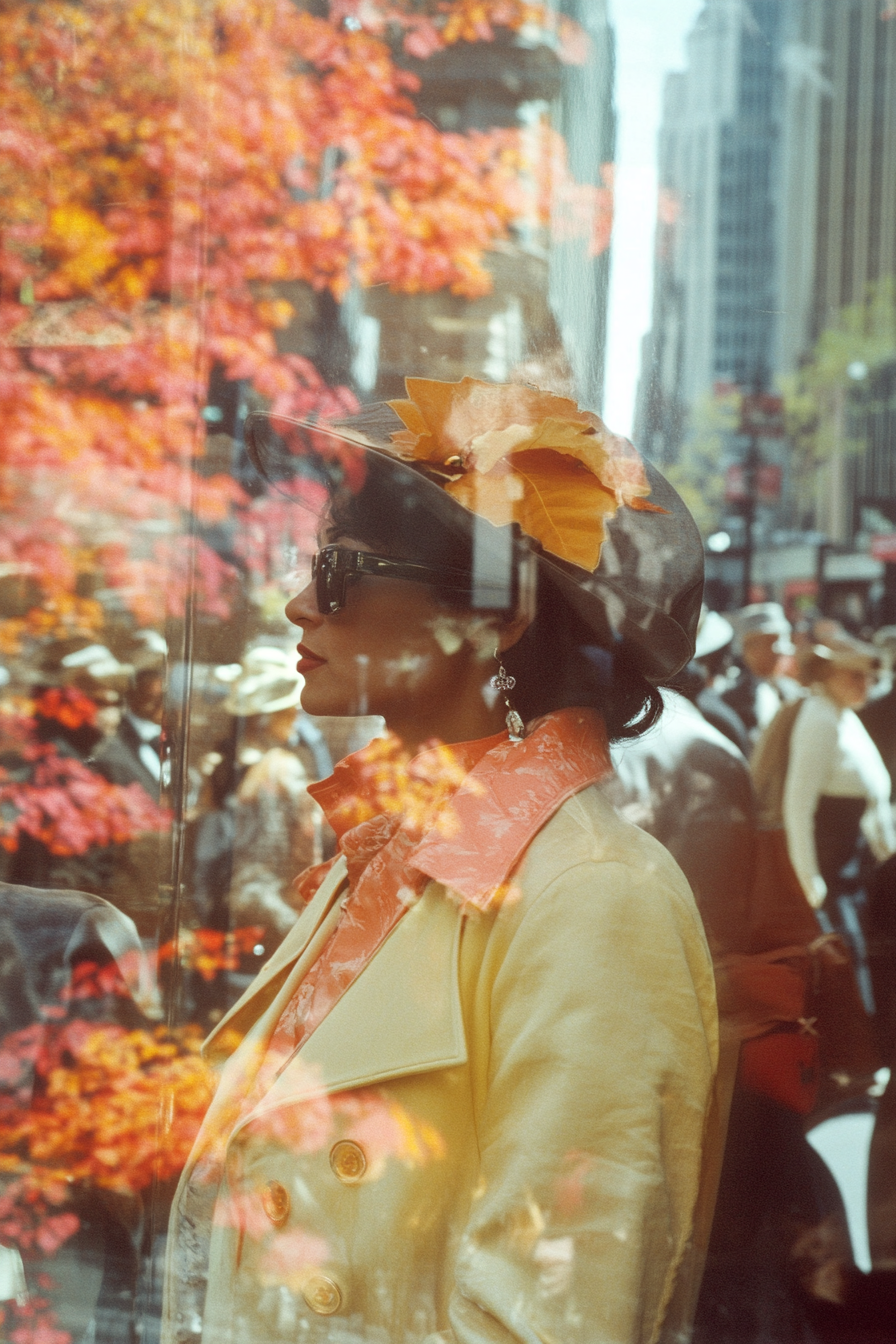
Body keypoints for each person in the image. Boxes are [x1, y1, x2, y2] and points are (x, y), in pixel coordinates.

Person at [162, 378, 720, 1344]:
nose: (300, 603)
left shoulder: (596, 897)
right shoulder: (386, 852)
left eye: (338, 569)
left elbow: (549, 1320)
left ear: (497, 618)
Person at [783, 636, 895, 1014]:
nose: (864, 685)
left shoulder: (843, 716)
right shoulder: (819, 717)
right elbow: (797, 805)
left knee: (861, 955)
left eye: (867, 677)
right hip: (832, 872)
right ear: (829, 675)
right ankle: (853, 1064)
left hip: (853, 870)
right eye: (853, 676)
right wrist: (810, 882)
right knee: (847, 957)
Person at [723, 602, 802, 747]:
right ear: (747, 649)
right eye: (770, 642)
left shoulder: (792, 691)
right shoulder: (732, 700)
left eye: (780, 639)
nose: (778, 649)